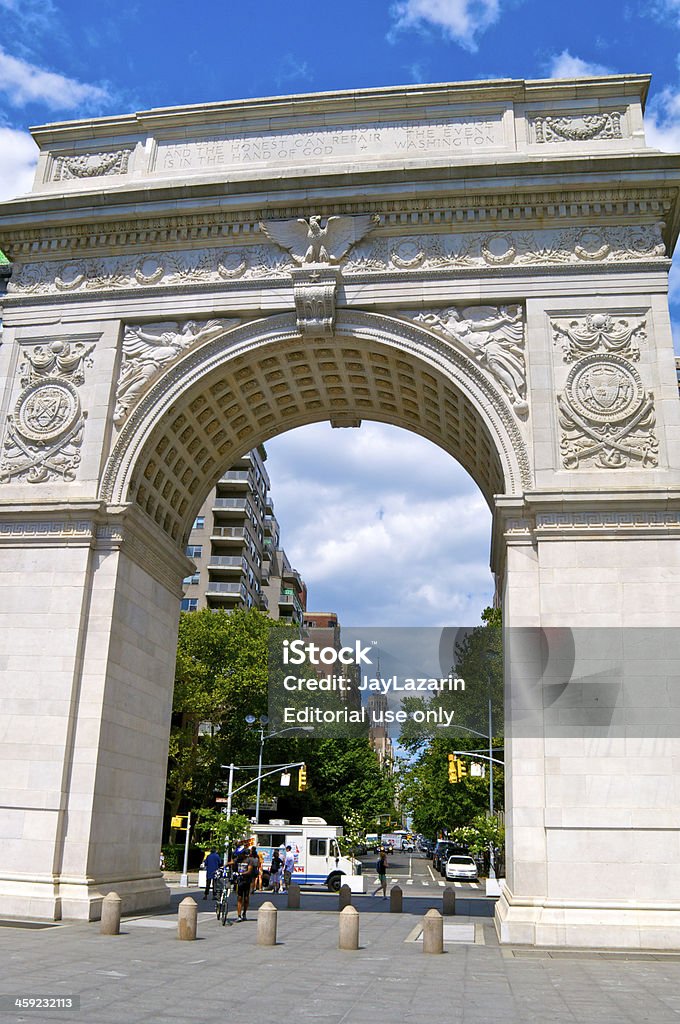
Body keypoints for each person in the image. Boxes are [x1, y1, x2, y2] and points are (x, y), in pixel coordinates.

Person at [235, 847, 260, 921]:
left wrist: (241, 873)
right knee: (239, 898)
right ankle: (239, 915)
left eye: (240, 854)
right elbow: (233, 862)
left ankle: (244, 913)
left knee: (246, 898)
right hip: (240, 881)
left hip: (247, 881)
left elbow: (249, 870)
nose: (239, 856)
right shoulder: (238, 859)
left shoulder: (249, 860)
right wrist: (225, 865)